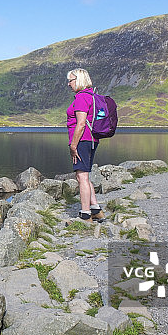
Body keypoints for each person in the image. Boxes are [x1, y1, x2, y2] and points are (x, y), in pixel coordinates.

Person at [66, 68, 105, 221]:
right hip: (92, 140)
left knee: (81, 176)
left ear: (79, 80)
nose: (69, 84)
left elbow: (81, 124)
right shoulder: (91, 95)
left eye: (71, 80)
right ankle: (95, 209)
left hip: (82, 140)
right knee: (84, 175)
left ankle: (85, 214)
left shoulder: (81, 97)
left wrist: (73, 145)